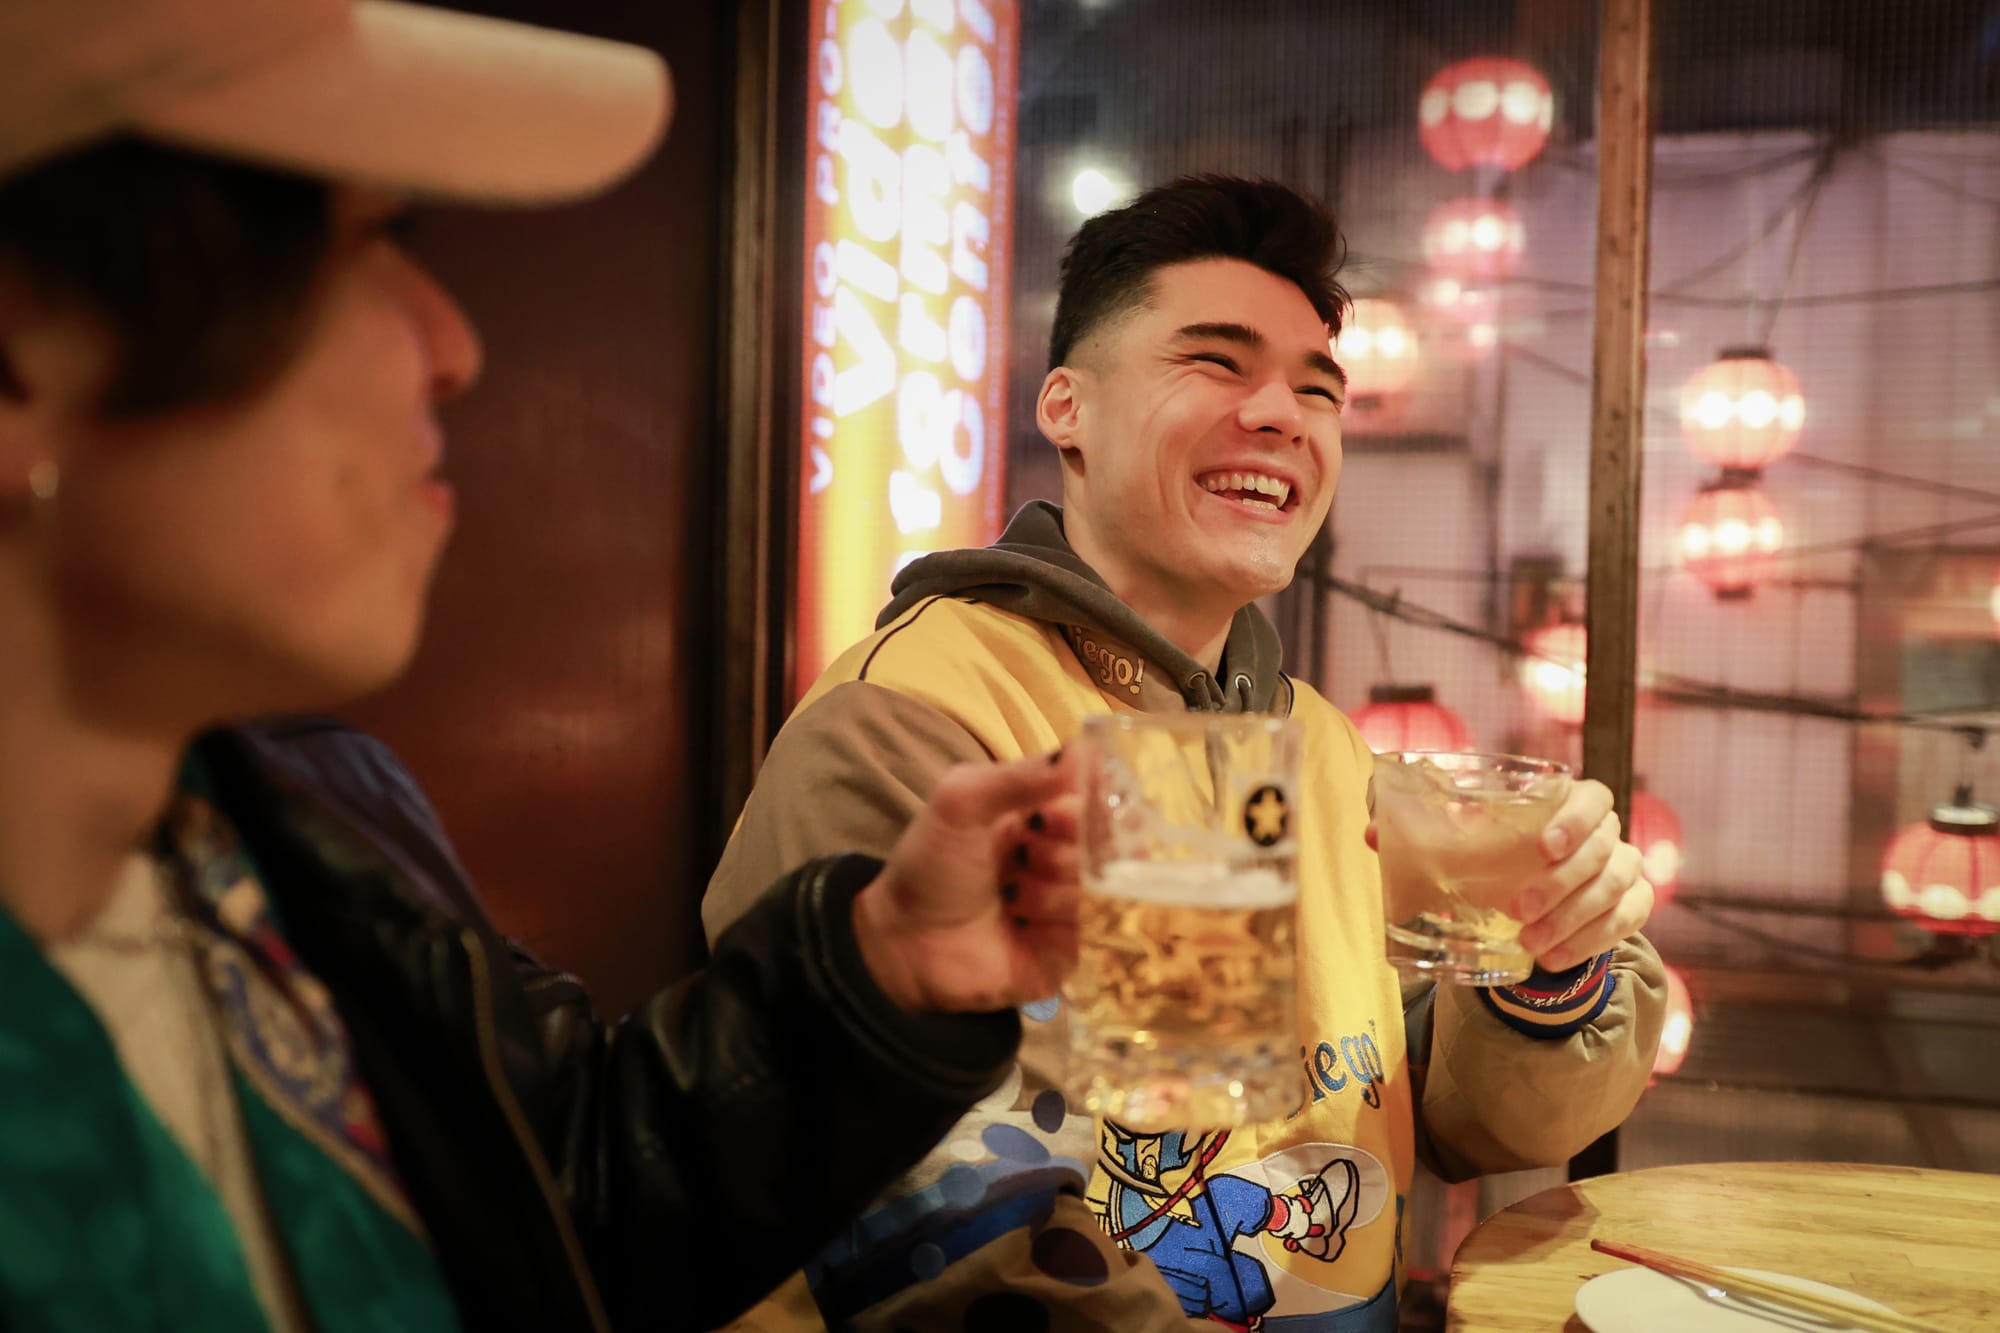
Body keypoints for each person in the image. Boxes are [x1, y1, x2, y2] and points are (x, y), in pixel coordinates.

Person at [0, 3, 1091, 1330]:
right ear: (19, 362)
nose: (454, 349)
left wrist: (886, 970)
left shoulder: (300, 830)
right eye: (363, 247)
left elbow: (552, 1215)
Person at [705, 175, 1668, 1332]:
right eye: (1216, 362)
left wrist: (1548, 969)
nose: (1282, 414)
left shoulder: (1303, 741)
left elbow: (1400, 1108)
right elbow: (932, 1228)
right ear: (1065, 406)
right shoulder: (925, 717)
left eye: (1317, 388)